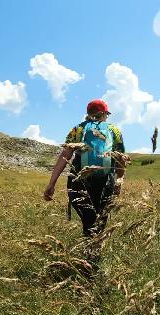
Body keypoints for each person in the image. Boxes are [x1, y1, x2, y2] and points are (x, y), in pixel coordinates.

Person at [42, 99, 127, 258]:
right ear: (105, 114)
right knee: (100, 221)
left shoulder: (78, 130)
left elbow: (65, 156)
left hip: (79, 181)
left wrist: (51, 183)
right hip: (105, 182)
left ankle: (89, 260)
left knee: (88, 221)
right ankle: (93, 260)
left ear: (88, 114)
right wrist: (119, 182)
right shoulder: (114, 131)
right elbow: (121, 159)